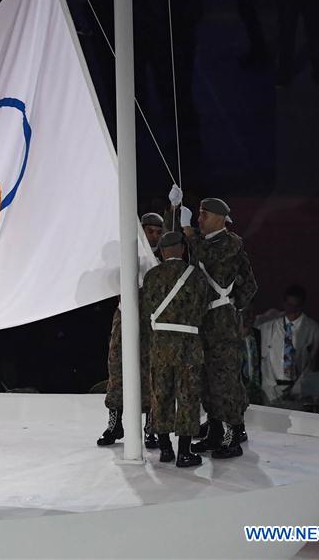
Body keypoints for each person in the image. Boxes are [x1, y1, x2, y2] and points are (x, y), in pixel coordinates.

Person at [178, 196, 257, 458]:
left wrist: (233, 305)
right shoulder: (207, 243)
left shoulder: (230, 243)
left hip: (222, 325)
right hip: (203, 321)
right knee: (207, 378)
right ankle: (214, 430)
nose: (200, 220)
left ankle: (234, 432)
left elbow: (211, 260)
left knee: (226, 379)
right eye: (199, 215)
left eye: (204, 215)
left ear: (221, 219)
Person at [142, 232, 210, 466]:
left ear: (160, 251)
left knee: (161, 394)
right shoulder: (196, 276)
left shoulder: (151, 277)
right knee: (188, 396)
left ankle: (165, 449)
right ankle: (184, 452)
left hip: (160, 342)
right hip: (188, 342)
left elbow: (146, 308)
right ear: (182, 249)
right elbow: (204, 308)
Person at [97, 214, 162, 449]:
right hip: (125, 316)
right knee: (117, 369)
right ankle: (115, 423)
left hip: (152, 322)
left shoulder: (163, 258)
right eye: (149, 231)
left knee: (151, 373)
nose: (153, 236)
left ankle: (151, 428)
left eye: (158, 231)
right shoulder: (125, 255)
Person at [258, 285, 319, 404]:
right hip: (270, 391)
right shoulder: (268, 327)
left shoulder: (314, 330)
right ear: (283, 303)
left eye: (296, 306)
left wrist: (296, 390)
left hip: (298, 392)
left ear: (302, 305)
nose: (292, 310)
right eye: (289, 305)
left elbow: (312, 365)